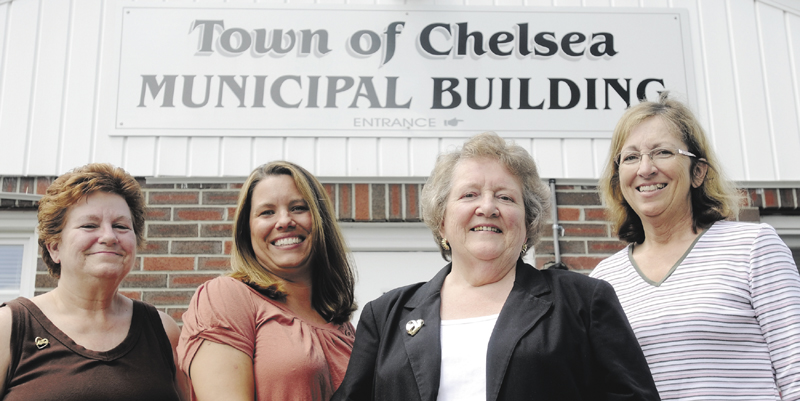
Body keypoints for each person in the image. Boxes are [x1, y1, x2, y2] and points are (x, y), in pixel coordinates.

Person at [334, 132, 660, 401]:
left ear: (528, 221)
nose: (487, 207)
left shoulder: (583, 302)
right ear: (442, 220)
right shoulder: (386, 316)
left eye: (505, 197)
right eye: (469, 194)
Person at [590, 93, 800, 400]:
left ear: (698, 172)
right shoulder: (602, 280)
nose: (645, 169)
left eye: (662, 152)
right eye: (631, 157)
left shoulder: (753, 248)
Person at [0, 163, 186, 401]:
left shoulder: (163, 330)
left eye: (120, 226)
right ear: (54, 247)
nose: (109, 236)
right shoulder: (9, 327)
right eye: (89, 225)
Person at [177, 161, 357, 401]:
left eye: (298, 208)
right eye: (267, 212)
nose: (284, 221)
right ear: (246, 230)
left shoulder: (343, 326)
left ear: (320, 221)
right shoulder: (227, 297)